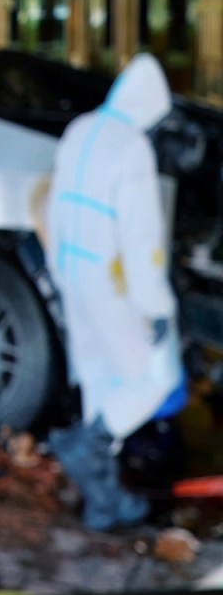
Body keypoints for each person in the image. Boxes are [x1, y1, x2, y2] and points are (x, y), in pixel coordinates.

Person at [42, 53, 185, 533]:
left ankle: (102, 502)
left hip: (72, 271)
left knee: (98, 376)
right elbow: (142, 241)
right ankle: (90, 444)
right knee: (151, 379)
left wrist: (59, 268)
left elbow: (55, 205)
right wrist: (155, 306)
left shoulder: (81, 129)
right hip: (111, 280)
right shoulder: (132, 147)